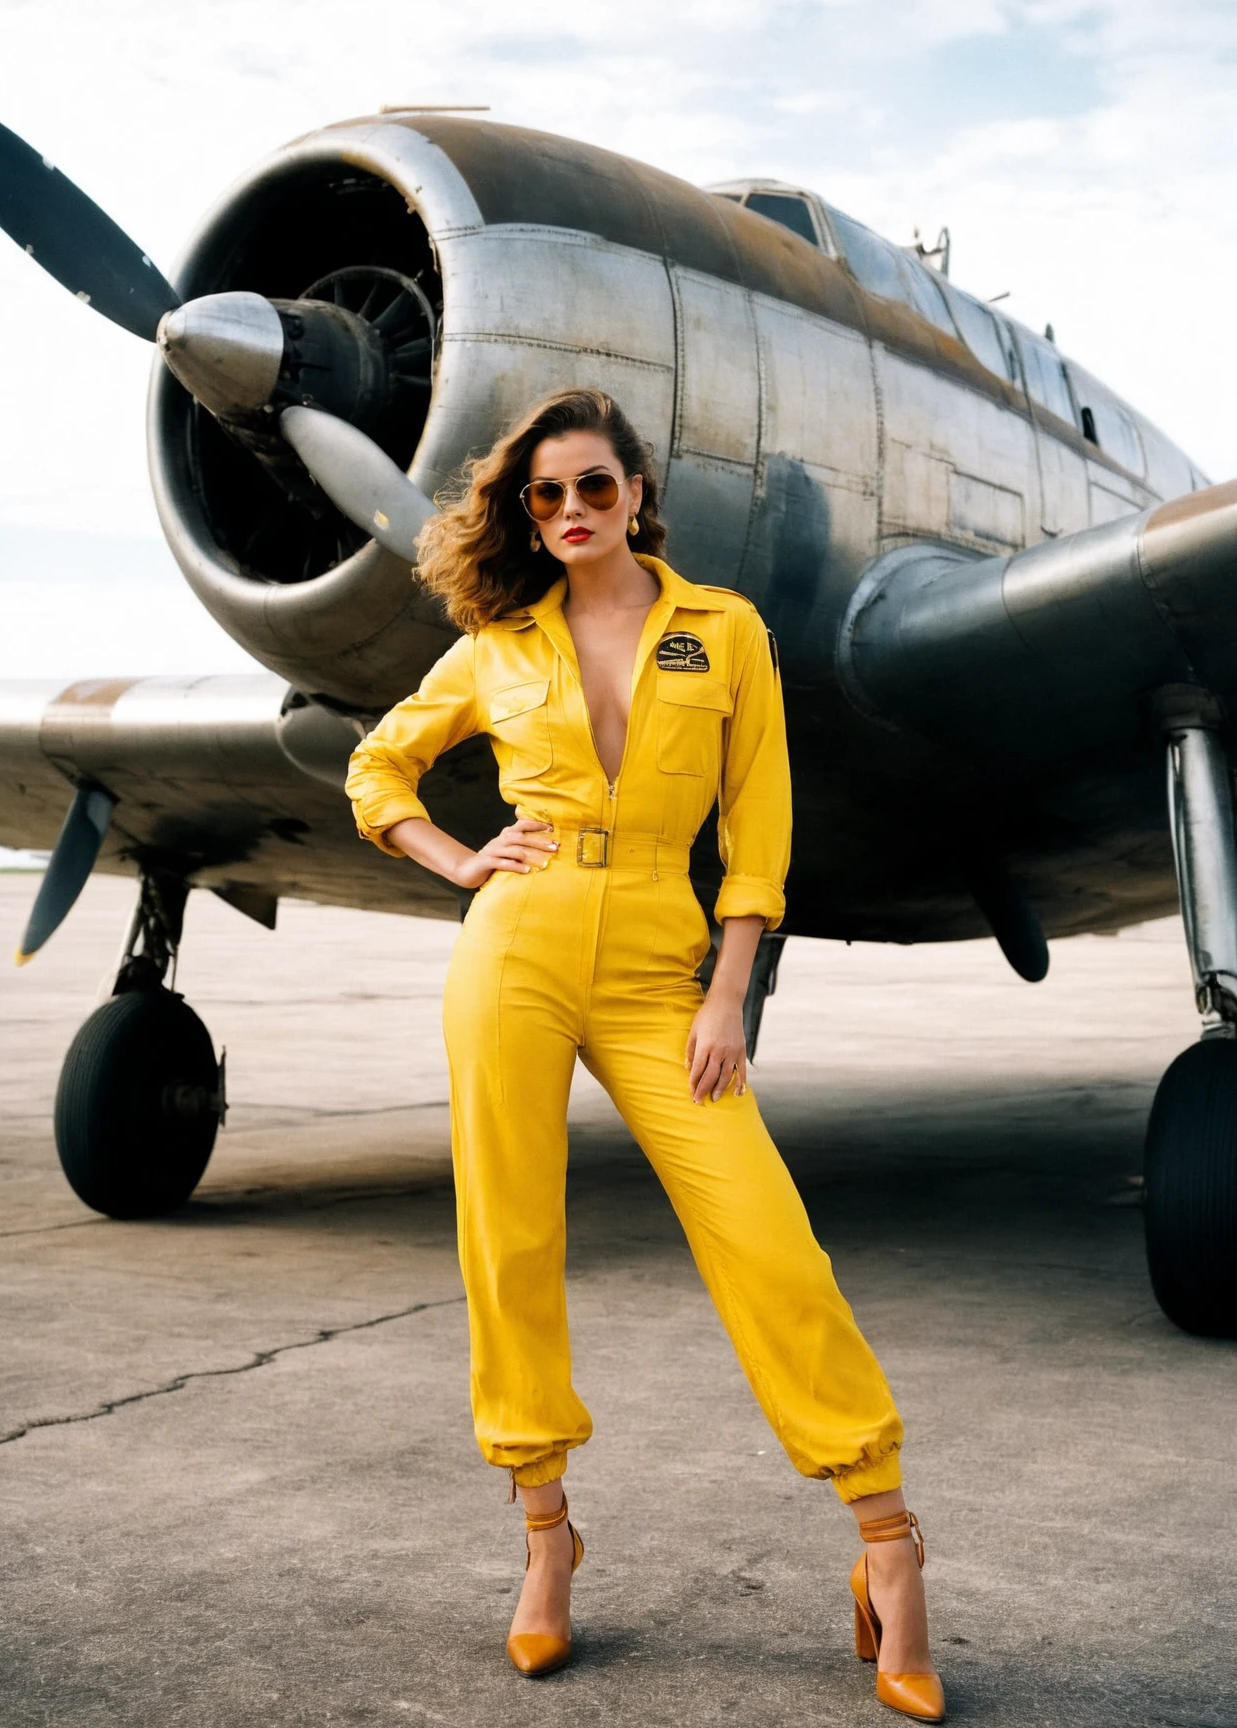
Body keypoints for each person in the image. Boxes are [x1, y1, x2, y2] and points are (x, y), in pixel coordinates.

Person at [345, 388, 943, 1720]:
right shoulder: (497, 643)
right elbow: (378, 768)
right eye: (543, 496)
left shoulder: (722, 633)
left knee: (765, 1237)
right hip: (518, 946)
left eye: (593, 490)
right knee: (510, 1238)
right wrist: (456, 859)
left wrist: (729, 992)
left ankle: (888, 1543)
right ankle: (545, 1533)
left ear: (637, 493)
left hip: (665, 959)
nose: (568, 514)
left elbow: (763, 830)